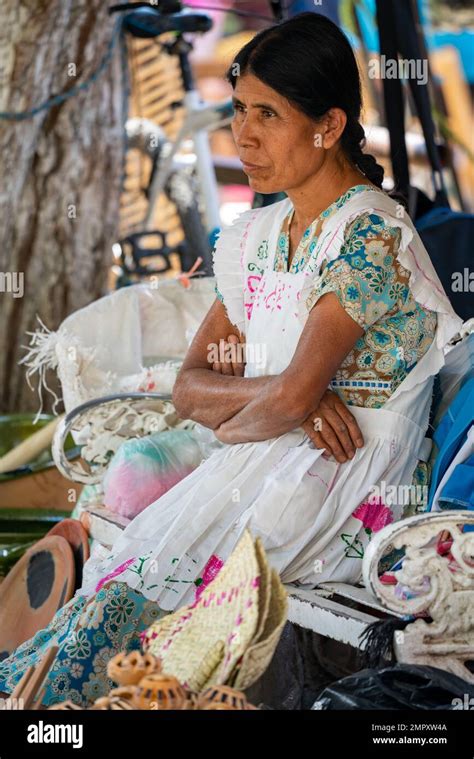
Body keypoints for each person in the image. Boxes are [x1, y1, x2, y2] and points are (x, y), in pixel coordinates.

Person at [0, 12, 462, 706]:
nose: (243, 134)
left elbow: (270, 400)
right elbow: (191, 388)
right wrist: (288, 397)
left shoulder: (368, 234)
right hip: (265, 455)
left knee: (168, 594)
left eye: (268, 114)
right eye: (240, 109)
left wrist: (283, 400)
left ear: (328, 125)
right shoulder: (258, 234)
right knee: (118, 580)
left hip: (344, 480)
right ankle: (41, 699)